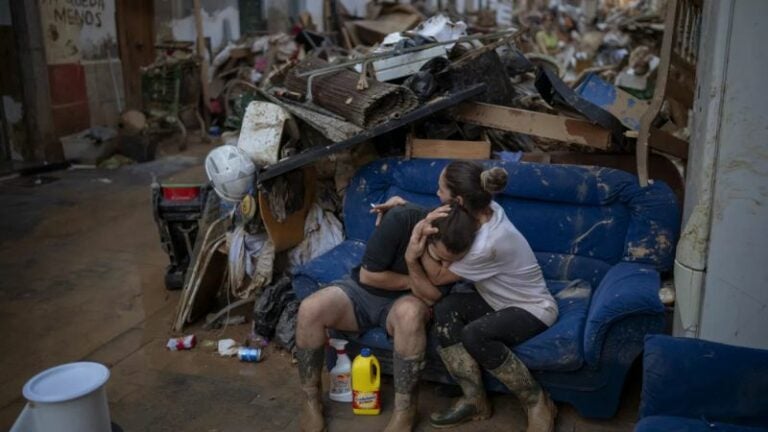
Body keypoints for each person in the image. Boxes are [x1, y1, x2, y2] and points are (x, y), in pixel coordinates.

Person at [372, 161, 559, 432]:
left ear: (458, 200)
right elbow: (438, 216)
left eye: (440, 189)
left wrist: (415, 248)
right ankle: (475, 401)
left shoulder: (487, 243)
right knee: (447, 309)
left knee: (475, 334)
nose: (436, 194)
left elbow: (436, 278)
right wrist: (400, 208)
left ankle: (537, 401)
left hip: (532, 308)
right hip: (496, 300)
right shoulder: (484, 207)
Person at [295, 203, 477, 432]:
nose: (446, 267)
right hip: (362, 291)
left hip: (405, 303)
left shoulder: (466, 242)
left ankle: (405, 412)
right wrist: (414, 281)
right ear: (427, 236)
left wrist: (412, 261)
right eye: (439, 259)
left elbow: (432, 297)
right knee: (310, 309)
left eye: (452, 262)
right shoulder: (401, 219)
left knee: (410, 314)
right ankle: (311, 401)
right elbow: (369, 276)